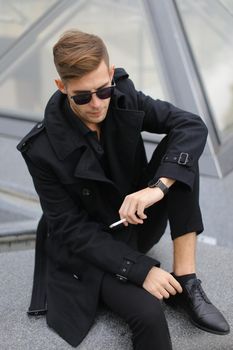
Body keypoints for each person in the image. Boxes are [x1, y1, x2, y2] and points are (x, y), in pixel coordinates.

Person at [17, 29, 230, 349]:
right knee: (148, 313)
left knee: (181, 157)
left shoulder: (122, 94)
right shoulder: (41, 149)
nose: (97, 103)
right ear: (62, 87)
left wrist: (157, 188)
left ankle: (187, 281)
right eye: (82, 96)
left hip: (136, 220)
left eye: (103, 90)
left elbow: (191, 125)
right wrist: (141, 270)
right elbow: (70, 229)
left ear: (110, 73)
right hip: (91, 248)